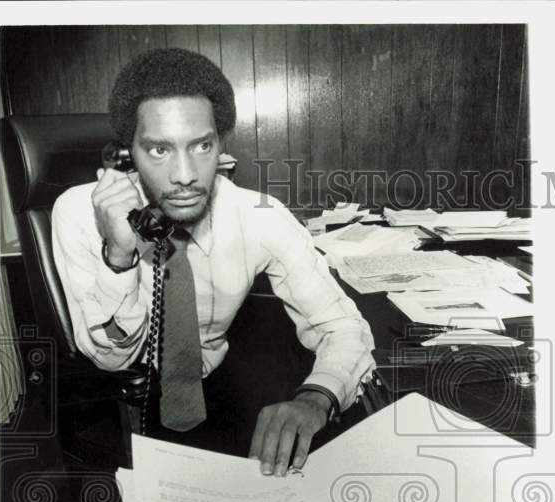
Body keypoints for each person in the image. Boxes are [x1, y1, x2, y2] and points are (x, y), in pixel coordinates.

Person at [52, 47, 375, 475]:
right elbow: (110, 360)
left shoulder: (260, 215)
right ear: (126, 154)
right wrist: (119, 253)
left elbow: (342, 326)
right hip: (119, 405)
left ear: (221, 145)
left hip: (217, 388)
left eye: (201, 145)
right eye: (159, 150)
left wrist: (317, 396)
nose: (184, 175)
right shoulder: (77, 213)